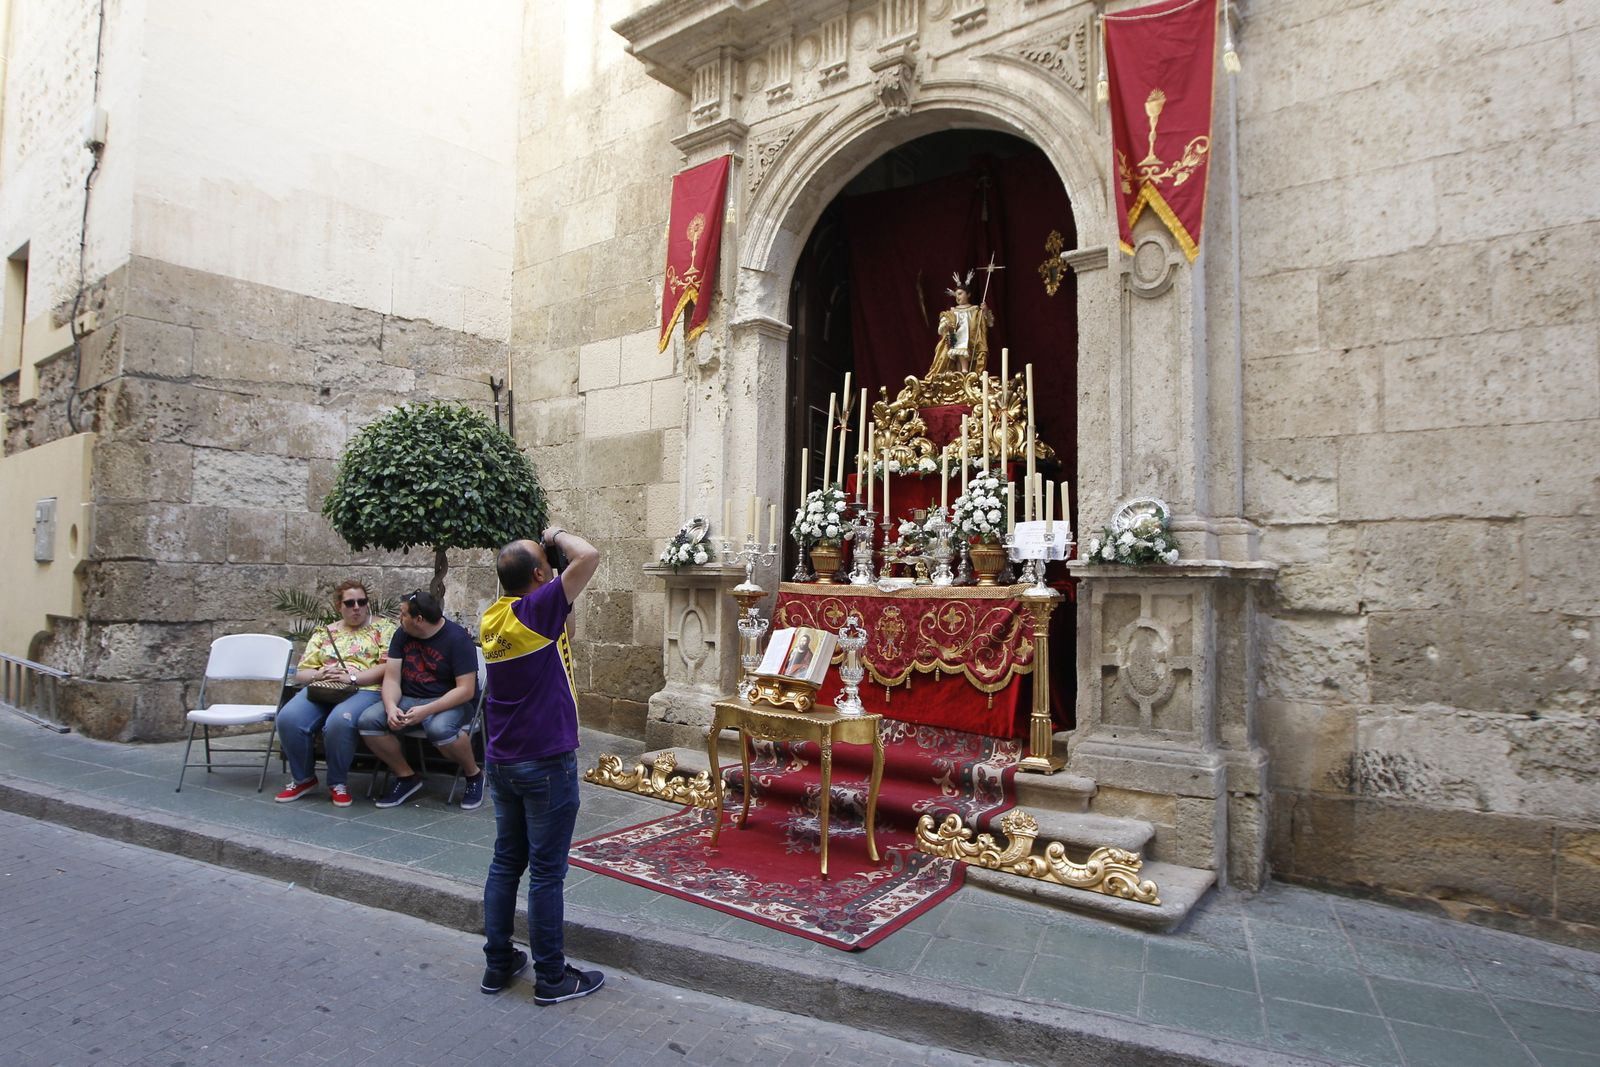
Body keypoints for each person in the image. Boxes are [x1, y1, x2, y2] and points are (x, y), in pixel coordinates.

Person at [476, 525, 604, 1004]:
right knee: (547, 873)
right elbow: (588, 556)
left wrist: (546, 560)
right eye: (546, 564)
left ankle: (498, 963)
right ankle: (551, 977)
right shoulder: (535, 610)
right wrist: (556, 534)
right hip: (545, 762)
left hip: (503, 761)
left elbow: (561, 626)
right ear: (536, 576)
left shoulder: (495, 617)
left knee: (506, 862)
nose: (552, 567)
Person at [357, 589, 483, 809]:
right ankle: (406, 776)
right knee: (368, 720)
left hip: (451, 701)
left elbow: (466, 690)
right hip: (409, 698)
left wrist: (426, 710)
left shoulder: (457, 639)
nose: (399, 618)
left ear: (419, 619)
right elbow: (392, 678)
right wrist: (391, 707)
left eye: (403, 614)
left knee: (439, 728)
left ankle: (474, 775)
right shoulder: (402, 634)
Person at [274, 581, 396, 807]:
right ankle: (303, 779)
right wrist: (319, 673)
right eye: (350, 603)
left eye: (362, 602)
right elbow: (302, 672)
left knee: (339, 721)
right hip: (325, 687)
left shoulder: (383, 629)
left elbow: (388, 666)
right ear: (339, 606)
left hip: (364, 688)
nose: (357, 607)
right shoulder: (325, 633)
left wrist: (353, 678)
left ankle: (337, 783)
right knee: (288, 718)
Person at [927, 274, 994, 377]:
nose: (957, 297)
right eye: (956, 295)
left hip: (969, 338)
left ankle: (965, 372)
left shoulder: (975, 311)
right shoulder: (952, 312)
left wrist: (985, 311)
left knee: (962, 351)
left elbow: (989, 323)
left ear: (968, 294)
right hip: (955, 337)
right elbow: (944, 324)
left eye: (960, 294)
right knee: (957, 355)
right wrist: (945, 324)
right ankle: (960, 374)